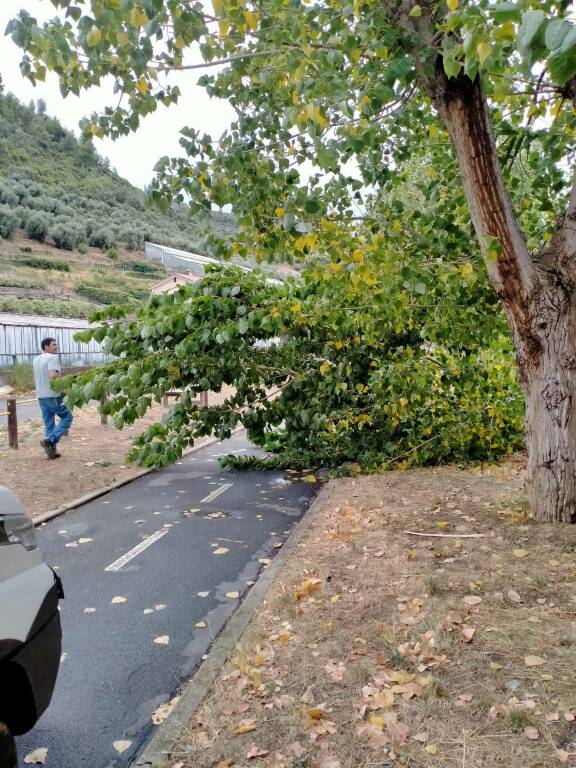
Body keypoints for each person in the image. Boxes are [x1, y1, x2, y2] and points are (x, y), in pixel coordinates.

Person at [32, 338, 73, 459]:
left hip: (41, 396)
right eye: (54, 345)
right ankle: (50, 440)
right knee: (67, 417)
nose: (56, 347)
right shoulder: (52, 358)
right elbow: (53, 376)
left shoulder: (36, 359)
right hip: (53, 396)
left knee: (49, 423)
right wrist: (64, 388)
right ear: (46, 346)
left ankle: (52, 452)